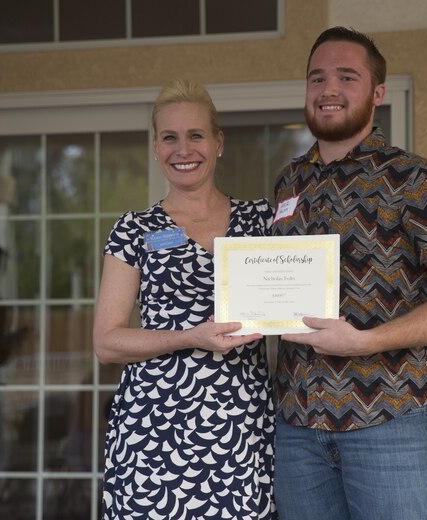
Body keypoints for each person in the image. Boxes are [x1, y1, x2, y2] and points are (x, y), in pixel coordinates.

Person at [270, 27, 427, 520]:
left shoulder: (416, 179)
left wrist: (365, 342)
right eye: (317, 77)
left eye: (347, 76)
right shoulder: (290, 181)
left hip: (389, 421)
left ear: (377, 93)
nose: (328, 89)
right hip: (297, 426)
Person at [94, 79, 277, 520]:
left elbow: (294, 305)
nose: (183, 149)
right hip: (153, 430)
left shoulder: (262, 221)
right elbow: (106, 343)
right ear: (156, 148)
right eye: (169, 137)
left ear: (218, 143)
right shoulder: (135, 229)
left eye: (195, 135)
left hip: (241, 424)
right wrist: (190, 336)